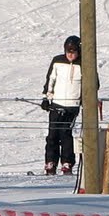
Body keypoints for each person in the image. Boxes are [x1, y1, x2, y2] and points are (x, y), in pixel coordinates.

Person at [41, 35, 84, 174]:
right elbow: (51, 79)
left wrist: (85, 98)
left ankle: (67, 162)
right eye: (68, 51)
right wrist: (46, 98)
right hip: (57, 103)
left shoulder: (84, 64)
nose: (70, 55)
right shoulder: (57, 61)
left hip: (72, 105)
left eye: (73, 52)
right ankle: (50, 162)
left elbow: (91, 84)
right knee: (52, 134)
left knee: (66, 134)